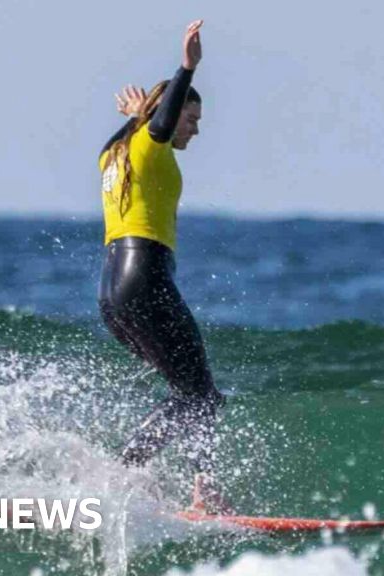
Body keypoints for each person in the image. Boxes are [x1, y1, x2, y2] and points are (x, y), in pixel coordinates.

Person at [96, 19, 230, 513]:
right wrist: (188, 68)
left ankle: (144, 479)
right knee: (202, 396)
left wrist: (138, 114)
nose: (194, 129)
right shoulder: (151, 148)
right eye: (191, 120)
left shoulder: (114, 153)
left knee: (190, 392)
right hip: (144, 277)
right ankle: (145, 479)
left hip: (112, 290)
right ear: (168, 118)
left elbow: (143, 124)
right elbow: (162, 118)